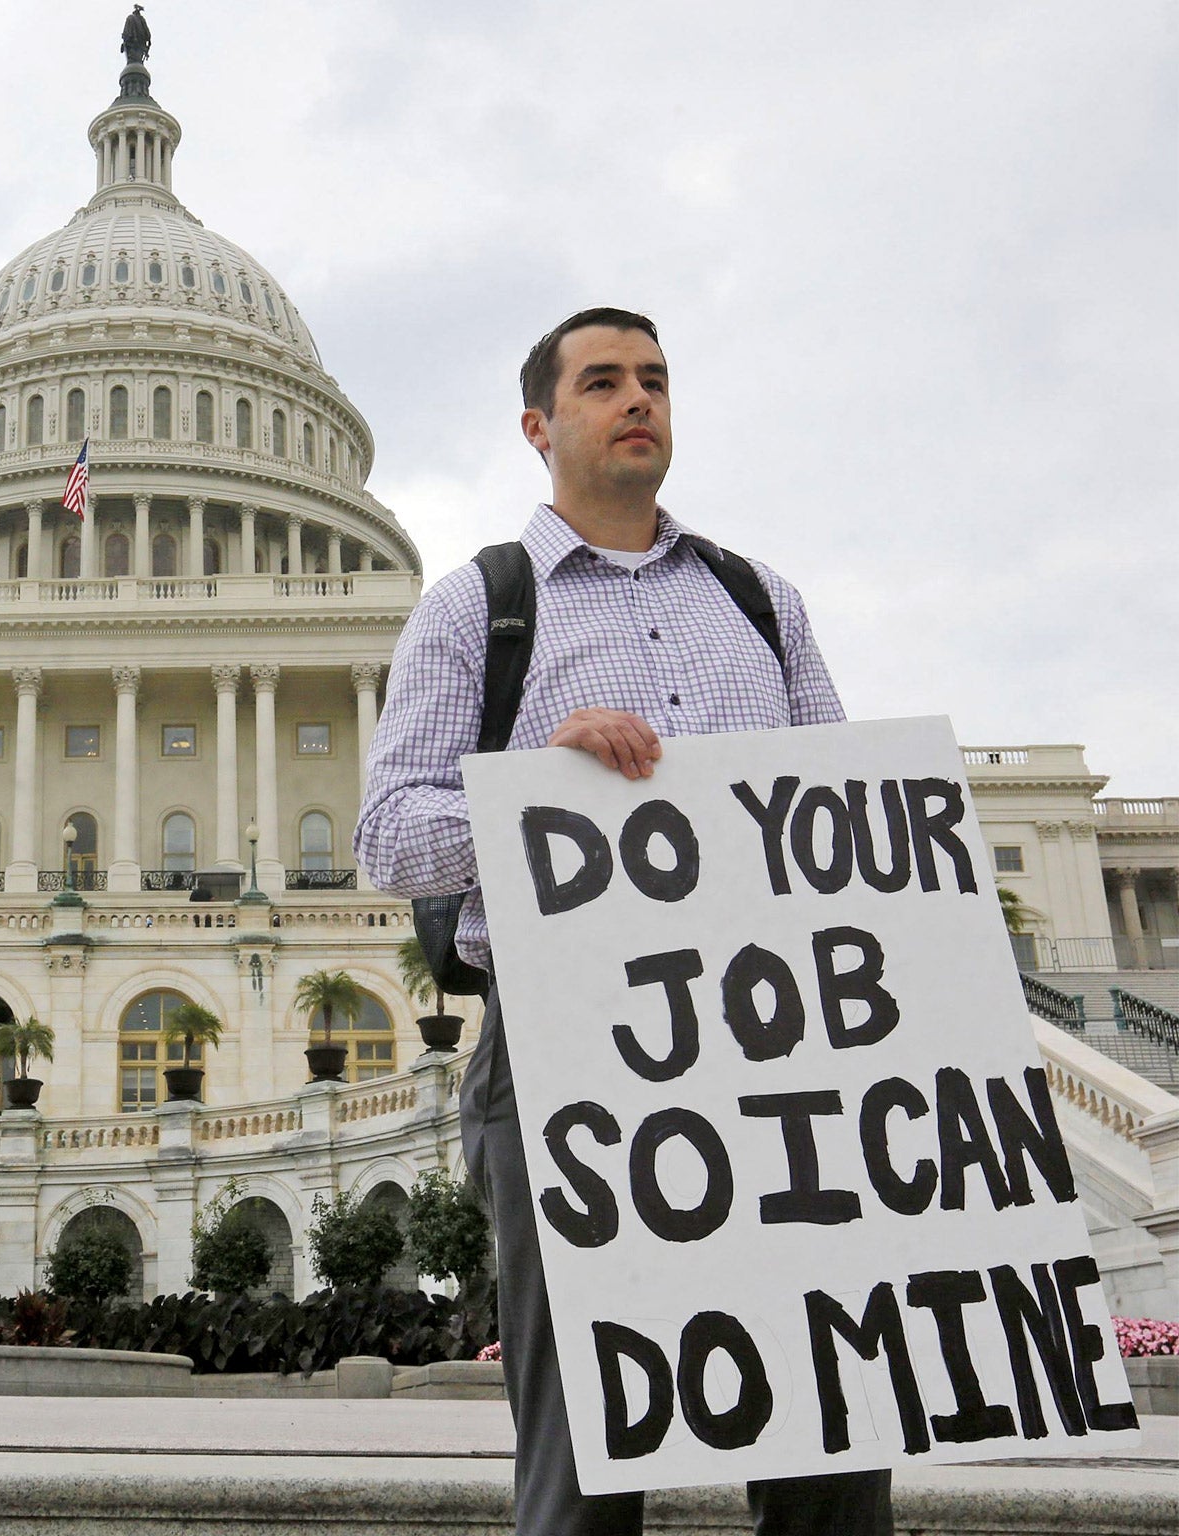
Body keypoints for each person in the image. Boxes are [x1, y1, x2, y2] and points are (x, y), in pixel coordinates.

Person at [354, 308, 890, 1536]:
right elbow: (388, 836)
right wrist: (540, 786)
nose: (635, 398)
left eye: (652, 378)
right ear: (540, 426)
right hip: (564, 1050)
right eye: (602, 382)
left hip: (775, 1044)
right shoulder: (472, 608)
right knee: (587, 1452)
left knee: (836, 1438)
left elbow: (841, 819)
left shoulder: (763, 602)